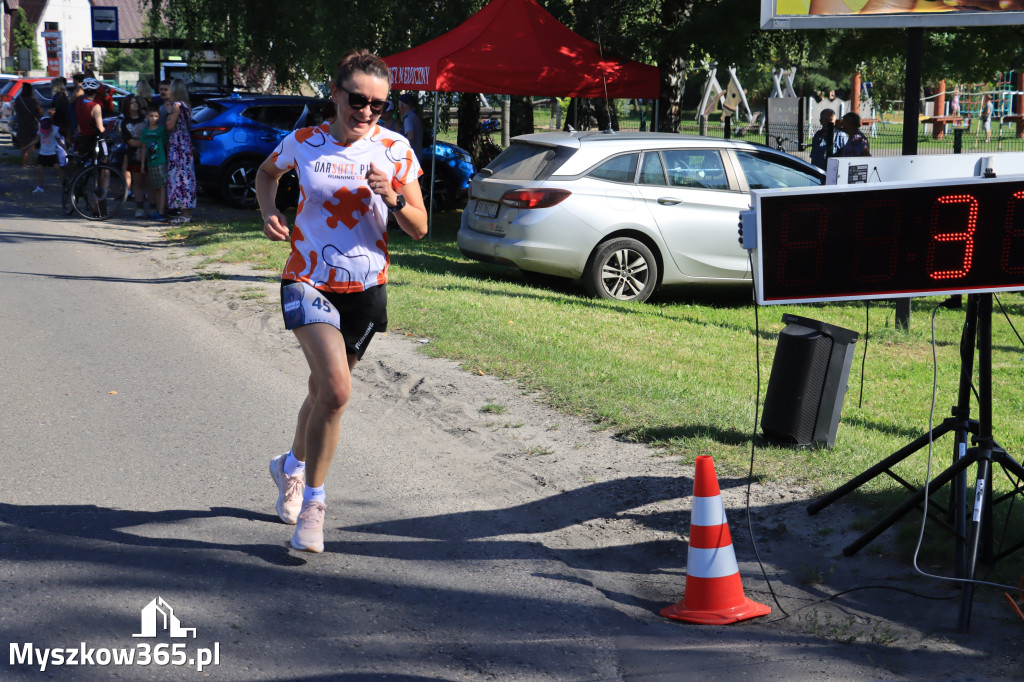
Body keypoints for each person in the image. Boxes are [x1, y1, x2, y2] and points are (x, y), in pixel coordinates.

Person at [255, 49, 428, 553]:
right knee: (336, 390)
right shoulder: (304, 142)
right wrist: (268, 211)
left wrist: (393, 196)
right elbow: (268, 175)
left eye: (379, 104)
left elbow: (419, 229)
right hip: (307, 278)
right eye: (358, 100)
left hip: (366, 291)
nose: (367, 112)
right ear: (335, 94)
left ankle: (288, 465)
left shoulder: (396, 150)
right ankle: (313, 506)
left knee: (322, 392)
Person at [165, 79, 197, 224]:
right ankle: (186, 211)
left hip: (178, 144)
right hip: (186, 143)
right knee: (187, 177)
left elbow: (170, 125)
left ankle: (184, 213)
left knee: (179, 177)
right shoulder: (187, 106)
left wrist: (168, 113)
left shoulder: (176, 106)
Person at [120, 94, 150, 217]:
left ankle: (154, 207)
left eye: (136, 102)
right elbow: (130, 141)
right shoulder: (125, 122)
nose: (135, 104)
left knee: (150, 182)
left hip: (150, 153)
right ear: (127, 105)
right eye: (132, 103)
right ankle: (139, 207)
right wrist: (143, 144)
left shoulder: (145, 119)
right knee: (137, 182)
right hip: (134, 154)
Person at [140, 106, 169, 222]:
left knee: (162, 186)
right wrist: (142, 164)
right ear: (147, 117)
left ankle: (162, 211)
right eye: (151, 116)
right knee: (157, 187)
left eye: (156, 116)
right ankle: (159, 209)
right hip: (151, 162)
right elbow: (143, 148)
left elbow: (166, 145)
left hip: (161, 161)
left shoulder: (161, 130)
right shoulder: (145, 131)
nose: (153, 118)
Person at [74, 77, 107, 160]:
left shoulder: (79, 102)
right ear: (96, 91)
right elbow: (100, 128)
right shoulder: (95, 106)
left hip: (82, 138)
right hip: (93, 139)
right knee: (104, 158)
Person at [31, 117, 64, 192]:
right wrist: (28, 146)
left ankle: (64, 185)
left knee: (58, 168)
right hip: (42, 153)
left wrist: (67, 150)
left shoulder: (55, 131)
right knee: (39, 169)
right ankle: (40, 186)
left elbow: (60, 142)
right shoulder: (40, 130)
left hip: (52, 153)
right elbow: (36, 140)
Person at [14, 81, 42, 168]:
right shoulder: (33, 100)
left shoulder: (19, 99)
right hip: (31, 123)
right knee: (31, 144)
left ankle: (24, 164)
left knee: (23, 144)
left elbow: (16, 109)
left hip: (21, 123)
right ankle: (30, 163)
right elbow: (39, 112)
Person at [49, 78, 71, 147]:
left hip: (58, 122)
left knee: (59, 144)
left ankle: (63, 157)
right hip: (64, 122)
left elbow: (54, 109)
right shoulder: (64, 95)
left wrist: (50, 115)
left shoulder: (58, 96)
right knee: (62, 142)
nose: (51, 86)